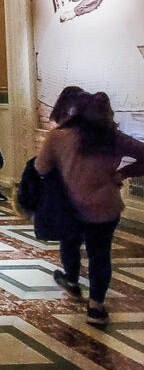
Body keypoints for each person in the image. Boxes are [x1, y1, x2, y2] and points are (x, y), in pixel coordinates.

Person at [36, 91, 144, 327]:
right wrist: (123, 173)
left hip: (71, 204)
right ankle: (96, 307)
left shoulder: (59, 137)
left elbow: (41, 168)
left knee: (70, 243)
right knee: (100, 255)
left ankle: (72, 281)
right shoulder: (114, 138)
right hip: (106, 206)